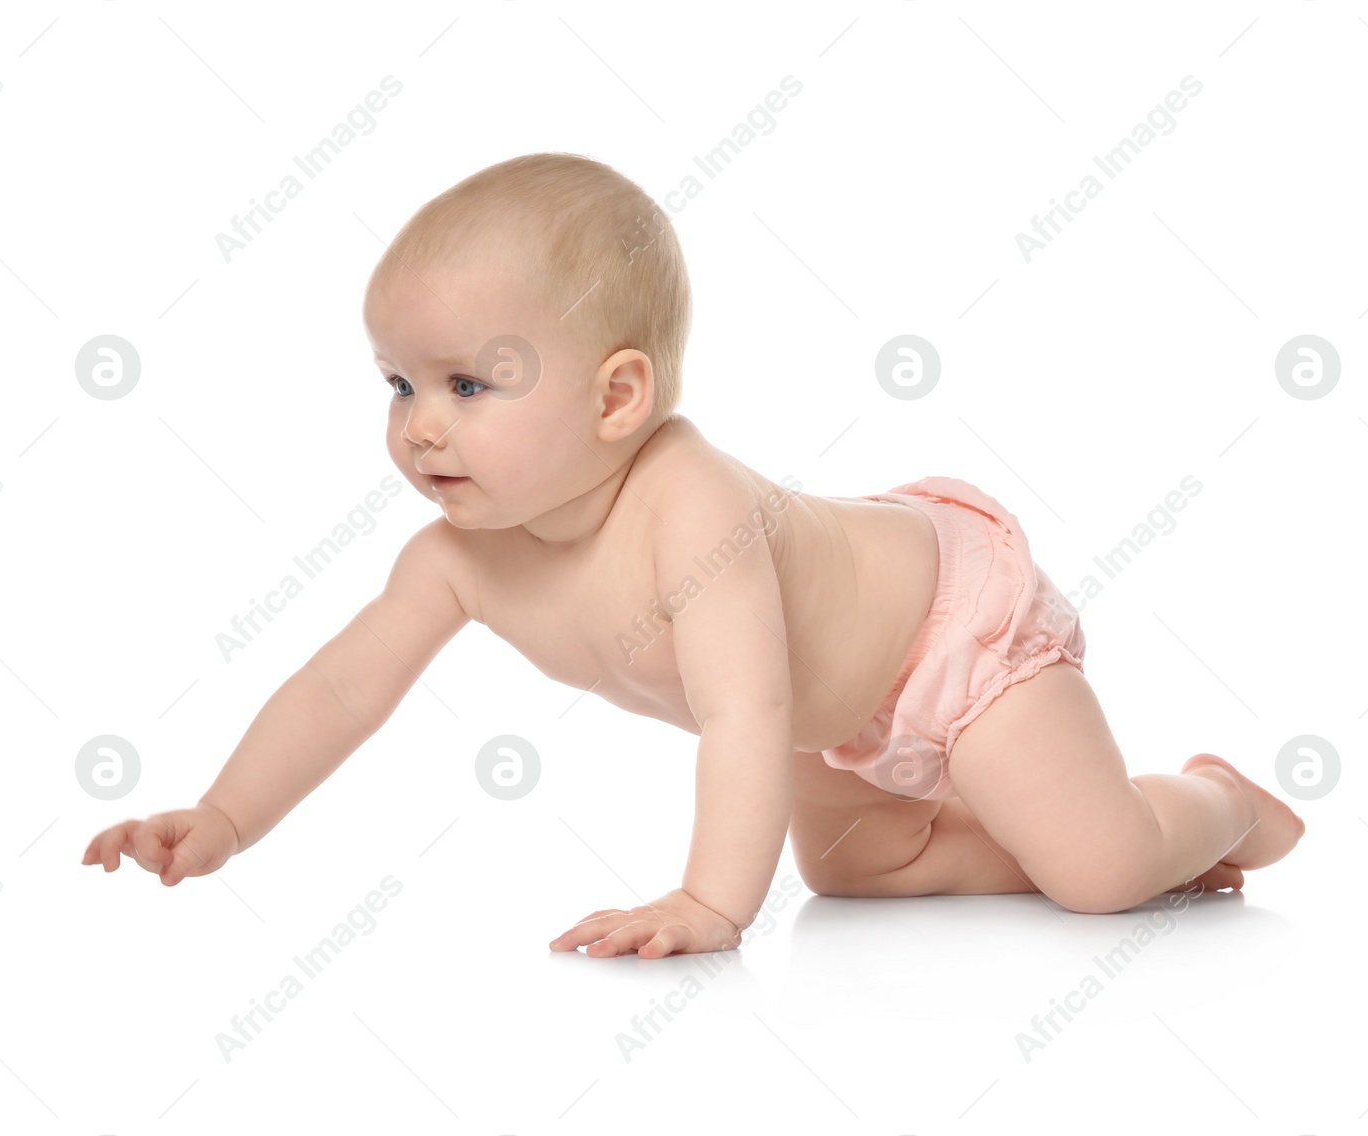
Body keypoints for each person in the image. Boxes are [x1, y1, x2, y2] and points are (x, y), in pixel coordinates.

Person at [82, 152, 1303, 958]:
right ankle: (1018, 816)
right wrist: (226, 816)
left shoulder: (691, 505)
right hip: (833, 721)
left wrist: (712, 902)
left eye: (467, 383)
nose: (420, 424)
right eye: (398, 382)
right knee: (855, 876)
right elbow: (344, 686)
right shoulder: (459, 556)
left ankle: (1212, 802)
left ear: (619, 396)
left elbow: (744, 709)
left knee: (1099, 871)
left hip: (943, 631)